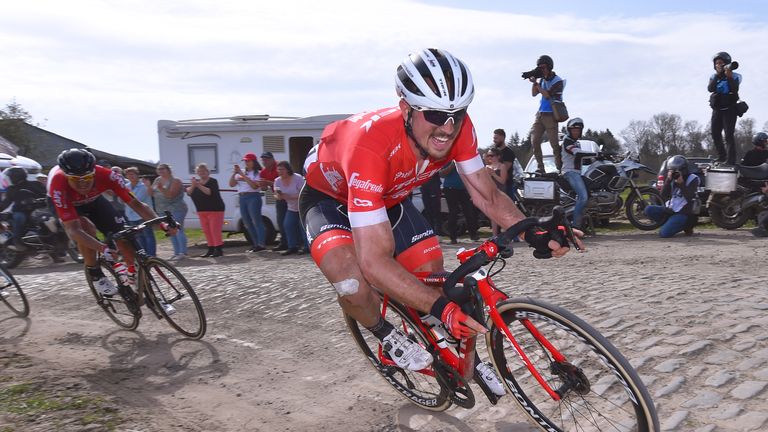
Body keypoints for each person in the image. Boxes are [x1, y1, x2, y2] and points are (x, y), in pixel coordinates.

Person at [300, 49, 581, 393]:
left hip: (388, 198)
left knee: (431, 273)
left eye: (457, 113)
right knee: (353, 285)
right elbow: (375, 261)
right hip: (329, 202)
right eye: (434, 113)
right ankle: (386, 336)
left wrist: (532, 230)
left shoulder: (456, 129)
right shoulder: (370, 145)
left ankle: (457, 353)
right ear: (406, 109)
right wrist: (440, 308)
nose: (447, 127)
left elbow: (487, 195)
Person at [48, 149, 175, 301]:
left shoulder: (108, 175)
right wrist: (102, 248)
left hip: (94, 201)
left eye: (87, 178)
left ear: (94, 172)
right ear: (66, 176)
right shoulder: (58, 184)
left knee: (123, 235)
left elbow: (136, 204)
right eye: (75, 179)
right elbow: (74, 230)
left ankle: (134, 276)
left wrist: (162, 224)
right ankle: (95, 274)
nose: (82, 184)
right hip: (69, 204)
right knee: (86, 228)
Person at [643, 155, 700, 238]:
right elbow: (663, 195)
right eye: (672, 170)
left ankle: (686, 227)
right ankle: (669, 224)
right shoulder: (671, 179)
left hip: (684, 214)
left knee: (664, 233)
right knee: (649, 209)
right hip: (670, 210)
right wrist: (668, 180)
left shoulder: (693, 179)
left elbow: (690, 197)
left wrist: (681, 183)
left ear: (683, 169)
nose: (675, 173)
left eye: (677, 170)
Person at [527, 55, 565, 173]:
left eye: (543, 67)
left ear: (549, 67)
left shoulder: (558, 81)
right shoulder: (542, 80)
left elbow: (548, 95)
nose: (541, 70)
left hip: (551, 115)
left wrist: (537, 84)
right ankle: (540, 167)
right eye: (539, 68)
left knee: (554, 144)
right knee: (535, 140)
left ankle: (560, 168)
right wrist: (535, 82)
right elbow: (534, 94)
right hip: (540, 114)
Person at [0, 166, 47, 251]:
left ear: (15, 177)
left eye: (10, 177)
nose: (9, 179)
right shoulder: (12, 189)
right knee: (19, 217)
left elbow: (46, 194)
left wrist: (44, 200)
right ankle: (17, 241)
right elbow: (5, 203)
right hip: (20, 211)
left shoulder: (35, 184)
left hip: (37, 210)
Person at [708, 51, 742, 166]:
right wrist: (718, 75)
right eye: (717, 63)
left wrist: (729, 77)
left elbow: (734, 89)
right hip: (717, 109)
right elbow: (710, 88)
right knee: (715, 133)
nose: (719, 65)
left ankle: (730, 160)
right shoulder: (713, 76)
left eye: (721, 63)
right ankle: (721, 156)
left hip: (729, 109)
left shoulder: (736, 76)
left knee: (728, 134)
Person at [229, 153, 267, 252]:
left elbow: (255, 186)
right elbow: (231, 184)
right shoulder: (241, 172)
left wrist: (243, 176)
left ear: (253, 162)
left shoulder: (257, 173)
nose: (246, 163)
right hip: (242, 197)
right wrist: (234, 173)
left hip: (253, 196)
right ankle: (255, 243)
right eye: (245, 161)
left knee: (256, 221)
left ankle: (261, 243)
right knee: (246, 222)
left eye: (248, 161)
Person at [187, 163, 225, 257]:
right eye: (199, 171)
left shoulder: (213, 181)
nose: (202, 173)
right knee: (206, 230)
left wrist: (198, 185)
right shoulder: (195, 183)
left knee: (214, 230)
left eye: (204, 171)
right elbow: (189, 192)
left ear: (208, 172)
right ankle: (211, 249)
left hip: (215, 210)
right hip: (202, 210)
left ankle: (218, 249)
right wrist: (193, 185)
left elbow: (209, 192)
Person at [151, 163, 189, 260]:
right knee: (170, 230)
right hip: (162, 210)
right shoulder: (157, 180)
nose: (160, 171)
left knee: (177, 229)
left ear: (168, 170)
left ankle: (182, 252)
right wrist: (148, 187)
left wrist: (161, 188)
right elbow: (152, 193)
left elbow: (171, 195)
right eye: (159, 169)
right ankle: (176, 253)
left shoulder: (176, 181)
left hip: (176, 208)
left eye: (163, 169)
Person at [560, 117, 591, 230]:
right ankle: (576, 226)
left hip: (576, 172)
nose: (576, 132)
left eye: (578, 130)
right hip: (570, 172)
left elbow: (584, 159)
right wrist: (596, 154)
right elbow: (577, 153)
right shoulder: (567, 141)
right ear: (569, 130)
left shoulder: (576, 142)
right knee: (583, 197)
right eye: (574, 130)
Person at [440, 161, 479, 243]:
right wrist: (453, 164)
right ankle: (453, 237)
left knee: (469, 211)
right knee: (453, 212)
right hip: (450, 188)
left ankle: (473, 234)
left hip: (464, 189)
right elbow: (442, 174)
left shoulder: (464, 160)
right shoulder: (449, 159)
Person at [273, 161, 307, 255]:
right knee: (287, 225)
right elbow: (276, 195)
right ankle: (292, 246)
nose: (280, 171)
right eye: (278, 169)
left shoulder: (298, 178)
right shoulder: (277, 181)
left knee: (302, 227)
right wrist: (279, 196)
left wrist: (289, 196)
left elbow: (303, 193)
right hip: (291, 207)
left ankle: (307, 246)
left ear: (288, 170)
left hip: (302, 206)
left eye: (282, 169)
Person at [123, 167, 157, 257]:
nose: (131, 176)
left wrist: (125, 197)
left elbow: (137, 199)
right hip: (131, 215)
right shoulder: (126, 186)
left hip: (143, 214)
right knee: (138, 236)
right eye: (128, 174)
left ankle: (151, 255)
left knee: (148, 235)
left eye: (132, 174)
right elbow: (121, 199)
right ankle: (144, 255)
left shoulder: (143, 186)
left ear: (137, 175)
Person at [259, 152, 287, 251]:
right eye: (263, 160)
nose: (264, 162)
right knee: (280, 221)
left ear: (272, 159)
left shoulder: (279, 167)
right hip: (279, 197)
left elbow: (283, 182)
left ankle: (295, 241)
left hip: (289, 196)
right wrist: (262, 185)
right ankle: (284, 242)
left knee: (290, 221)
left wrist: (268, 182)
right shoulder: (263, 172)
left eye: (266, 159)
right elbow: (265, 189)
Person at [490, 129, 518, 197]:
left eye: (496, 138)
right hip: (494, 185)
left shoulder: (509, 153)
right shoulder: (492, 152)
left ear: (502, 137)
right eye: (494, 138)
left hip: (506, 186)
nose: (494, 140)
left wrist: (491, 170)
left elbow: (504, 169)